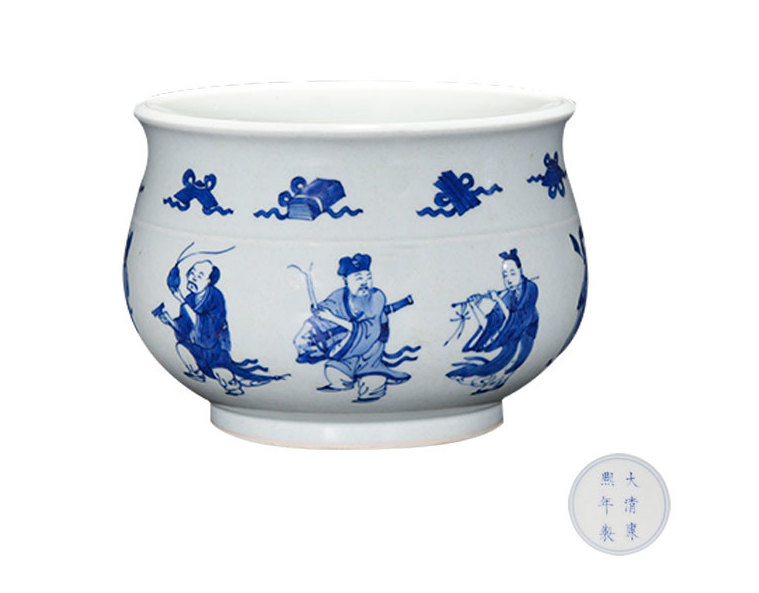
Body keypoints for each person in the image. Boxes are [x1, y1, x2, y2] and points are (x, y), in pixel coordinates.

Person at [294, 253, 412, 402]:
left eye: (368, 278)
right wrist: (319, 310)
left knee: (371, 385)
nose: (364, 283)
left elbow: (368, 330)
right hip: (347, 353)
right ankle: (345, 378)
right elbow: (328, 306)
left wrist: (332, 318)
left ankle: (372, 380)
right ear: (346, 281)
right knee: (334, 374)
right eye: (359, 278)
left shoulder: (377, 297)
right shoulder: (340, 295)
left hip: (369, 352)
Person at [157, 260, 285, 395]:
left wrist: (181, 301)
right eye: (192, 273)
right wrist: (170, 321)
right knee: (181, 347)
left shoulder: (215, 298)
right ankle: (197, 373)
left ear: (209, 281)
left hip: (214, 350)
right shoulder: (190, 299)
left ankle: (233, 386)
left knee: (221, 372)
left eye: (199, 276)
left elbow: (208, 327)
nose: (193, 278)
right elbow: (186, 325)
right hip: (197, 347)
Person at [447, 249, 539, 394]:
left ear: (520, 271)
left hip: (525, 335)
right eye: (505, 275)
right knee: (487, 364)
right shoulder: (507, 297)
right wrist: (473, 306)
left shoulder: (530, 289)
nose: (508, 279)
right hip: (511, 338)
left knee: (507, 365)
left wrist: (497, 299)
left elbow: (515, 320)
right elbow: (488, 325)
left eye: (512, 273)